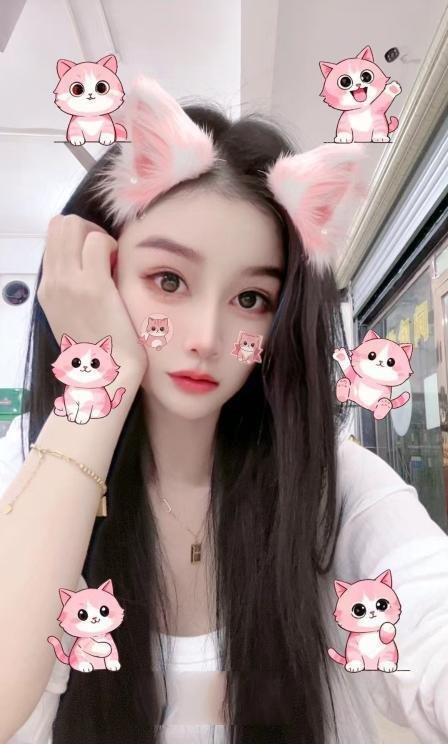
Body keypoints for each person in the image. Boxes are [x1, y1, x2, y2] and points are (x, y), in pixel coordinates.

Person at [0, 75, 447, 744]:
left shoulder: (330, 482)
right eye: (169, 280)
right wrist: (97, 381)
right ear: (99, 274)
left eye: (251, 300)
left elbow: (431, 614)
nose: (207, 337)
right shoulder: (30, 466)